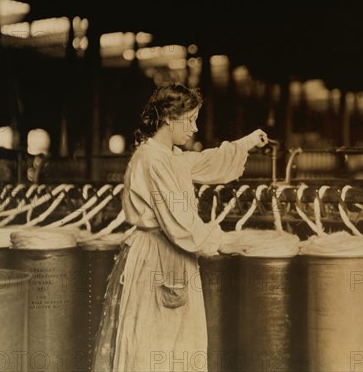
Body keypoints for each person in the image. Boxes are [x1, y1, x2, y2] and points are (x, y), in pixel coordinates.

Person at [91, 83, 268, 372]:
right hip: (155, 259)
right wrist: (221, 242)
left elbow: (207, 161)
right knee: (152, 348)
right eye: (191, 120)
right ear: (170, 119)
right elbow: (180, 221)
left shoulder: (169, 156)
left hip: (175, 256)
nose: (195, 128)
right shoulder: (151, 159)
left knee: (180, 346)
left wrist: (247, 142)